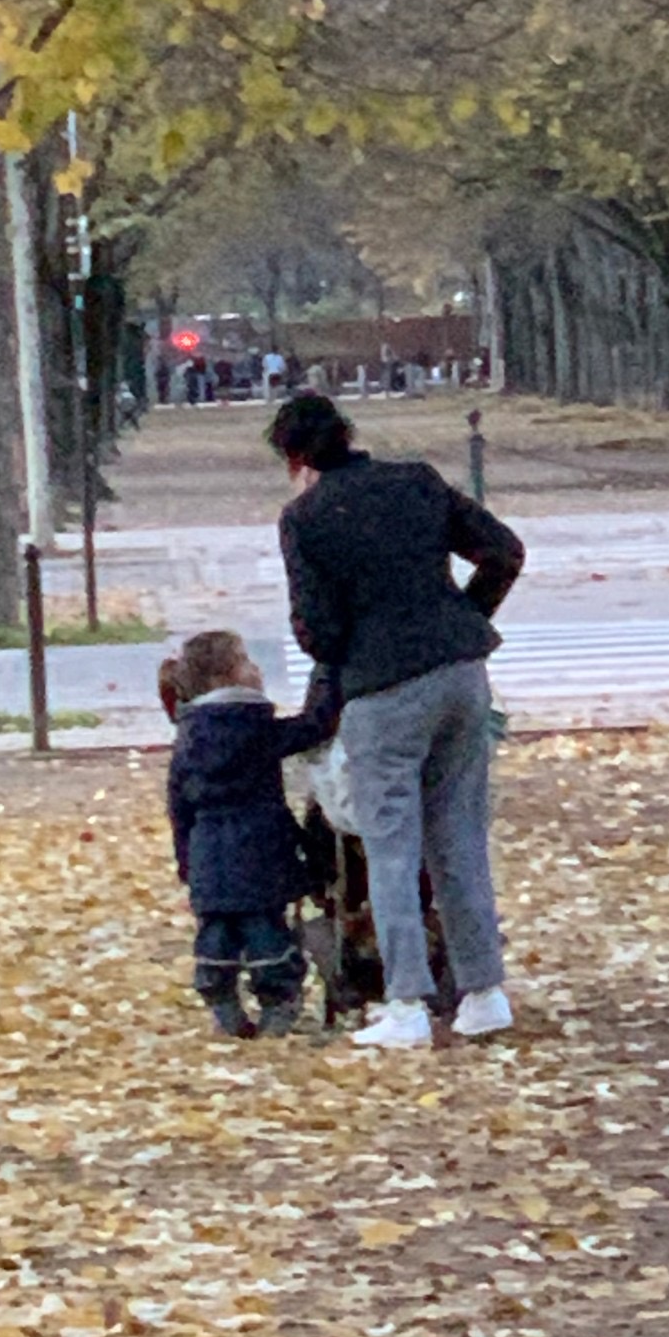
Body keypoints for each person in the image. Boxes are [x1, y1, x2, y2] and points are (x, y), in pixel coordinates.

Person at [267, 395, 525, 1051]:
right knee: (459, 836)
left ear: (296, 458)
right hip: (462, 675)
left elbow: (317, 631)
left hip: (382, 692)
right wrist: (463, 619)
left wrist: (354, 653)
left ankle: (405, 1001)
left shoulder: (305, 519)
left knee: (390, 846)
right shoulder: (417, 481)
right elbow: (502, 549)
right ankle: (484, 993)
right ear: (350, 435)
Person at [162, 631, 337, 1039]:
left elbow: (179, 805)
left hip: (209, 852)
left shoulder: (189, 735)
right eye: (247, 662)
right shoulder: (253, 728)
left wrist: (185, 857)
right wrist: (330, 678)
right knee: (265, 931)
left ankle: (219, 993)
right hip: (260, 848)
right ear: (227, 678)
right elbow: (314, 726)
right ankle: (278, 999)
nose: (257, 670)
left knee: (217, 931)